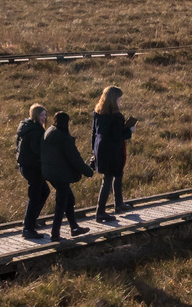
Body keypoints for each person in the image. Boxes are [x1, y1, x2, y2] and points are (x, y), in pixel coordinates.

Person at [41, 111, 94, 241]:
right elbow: (75, 160)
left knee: (69, 199)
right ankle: (55, 234)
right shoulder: (64, 138)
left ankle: (74, 227)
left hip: (50, 173)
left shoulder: (49, 132)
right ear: (67, 122)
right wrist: (89, 172)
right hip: (61, 175)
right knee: (61, 203)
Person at [91, 85, 137, 223]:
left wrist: (93, 151)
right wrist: (130, 131)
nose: (120, 100)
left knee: (114, 175)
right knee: (109, 179)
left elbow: (93, 133)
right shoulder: (116, 116)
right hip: (113, 150)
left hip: (100, 148)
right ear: (114, 99)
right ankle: (101, 212)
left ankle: (119, 204)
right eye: (119, 98)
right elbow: (118, 136)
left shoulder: (97, 112)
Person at [16, 103, 50, 239]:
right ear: (36, 115)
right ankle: (28, 229)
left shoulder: (26, 126)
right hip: (32, 167)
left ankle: (31, 221)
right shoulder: (35, 131)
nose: (44, 118)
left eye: (45, 115)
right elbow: (37, 151)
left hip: (26, 165)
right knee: (35, 196)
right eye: (42, 115)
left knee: (44, 192)